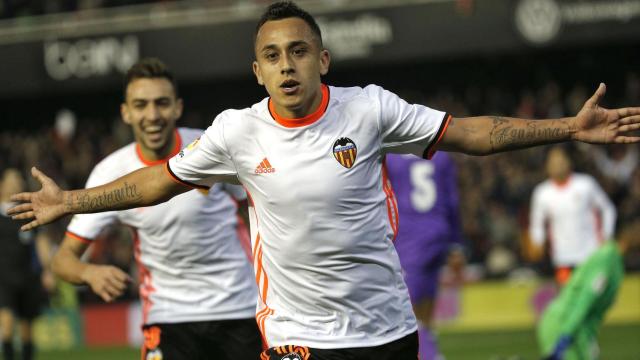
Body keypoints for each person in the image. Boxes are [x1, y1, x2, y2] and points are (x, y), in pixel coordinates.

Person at [8, 2, 640, 358]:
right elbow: (155, 183)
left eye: (299, 51)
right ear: (257, 71)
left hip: (388, 329)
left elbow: (473, 134)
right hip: (294, 337)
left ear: (323, 59)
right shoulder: (234, 133)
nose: (287, 66)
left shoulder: (369, 109)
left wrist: (567, 127)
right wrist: (71, 199)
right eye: (274, 57)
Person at [48, 58, 262, 360]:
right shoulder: (110, 173)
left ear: (177, 107)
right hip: (167, 319)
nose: (152, 115)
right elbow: (61, 260)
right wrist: (88, 273)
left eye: (161, 103)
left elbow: (256, 214)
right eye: (141, 104)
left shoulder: (208, 149)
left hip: (239, 310)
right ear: (126, 112)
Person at [385, 152, 462, 360]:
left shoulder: (391, 157)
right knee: (426, 312)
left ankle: (431, 356)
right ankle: (431, 349)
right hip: (439, 232)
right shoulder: (441, 155)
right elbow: (452, 199)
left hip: (411, 237)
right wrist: (456, 244)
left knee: (409, 314)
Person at [537, 222, 639, 360]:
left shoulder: (616, 263)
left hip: (579, 329)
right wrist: (565, 336)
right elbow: (585, 300)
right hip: (565, 323)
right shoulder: (607, 258)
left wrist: (590, 339)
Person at [529, 146, 616, 285]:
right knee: (570, 301)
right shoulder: (542, 193)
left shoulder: (585, 184)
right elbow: (537, 223)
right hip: (562, 258)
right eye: (553, 161)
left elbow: (608, 209)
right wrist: (538, 241)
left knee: (591, 301)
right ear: (546, 166)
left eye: (560, 159)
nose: (557, 164)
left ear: (569, 161)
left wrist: (607, 236)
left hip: (591, 254)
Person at [0, 169, 54, 360]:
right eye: (11, 179)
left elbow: (41, 241)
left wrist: (47, 270)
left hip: (27, 277)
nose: (16, 182)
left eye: (18, 178)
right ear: (2, 184)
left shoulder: (28, 212)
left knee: (26, 330)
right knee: (5, 325)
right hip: (3, 279)